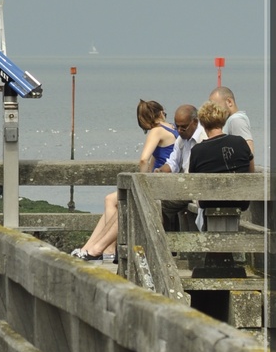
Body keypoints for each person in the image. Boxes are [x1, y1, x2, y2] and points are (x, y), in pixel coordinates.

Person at [71, 99, 177, 263]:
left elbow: (144, 160)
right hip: (164, 180)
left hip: (160, 183)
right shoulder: (172, 128)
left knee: (114, 200)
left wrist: (141, 183)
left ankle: (107, 249)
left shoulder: (156, 131)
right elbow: (155, 160)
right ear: (162, 111)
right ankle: (91, 248)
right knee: (111, 199)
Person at [156, 103, 206, 231]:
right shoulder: (182, 139)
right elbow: (173, 163)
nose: (179, 131)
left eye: (183, 127)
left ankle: (164, 243)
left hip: (197, 189)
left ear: (195, 122)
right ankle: (167, 243)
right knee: (154, 199)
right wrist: (160, 171)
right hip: (185, 187)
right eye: (177, 126)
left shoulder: (203, 138)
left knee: (158, 203)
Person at [189, 101, 254, 176]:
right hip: (242, 186)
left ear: (203, 124)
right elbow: (251, 171)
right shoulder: (240, 142)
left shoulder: (197, 151)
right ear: (223, 121)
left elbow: (193, 178)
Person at [208, 87, 255, 172]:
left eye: (216, 106)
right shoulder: (231, 120)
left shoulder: (236, 120)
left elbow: (248, 149)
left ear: (229, 102)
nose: (214, 111)